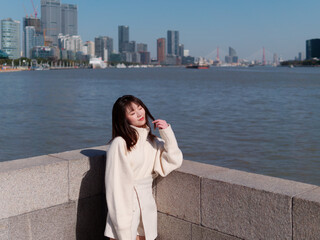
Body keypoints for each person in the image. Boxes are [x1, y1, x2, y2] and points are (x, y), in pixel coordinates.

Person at [104, 95, 183, 240]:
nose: (140, 114)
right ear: (124, 119)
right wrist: (122, 228)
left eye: (140, 108)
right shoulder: (120, 144)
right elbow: (116, 188)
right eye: (132, 113)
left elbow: (174, 161)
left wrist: (167, 132)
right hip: (126, 211)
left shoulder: (152, 141)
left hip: (146, 208)